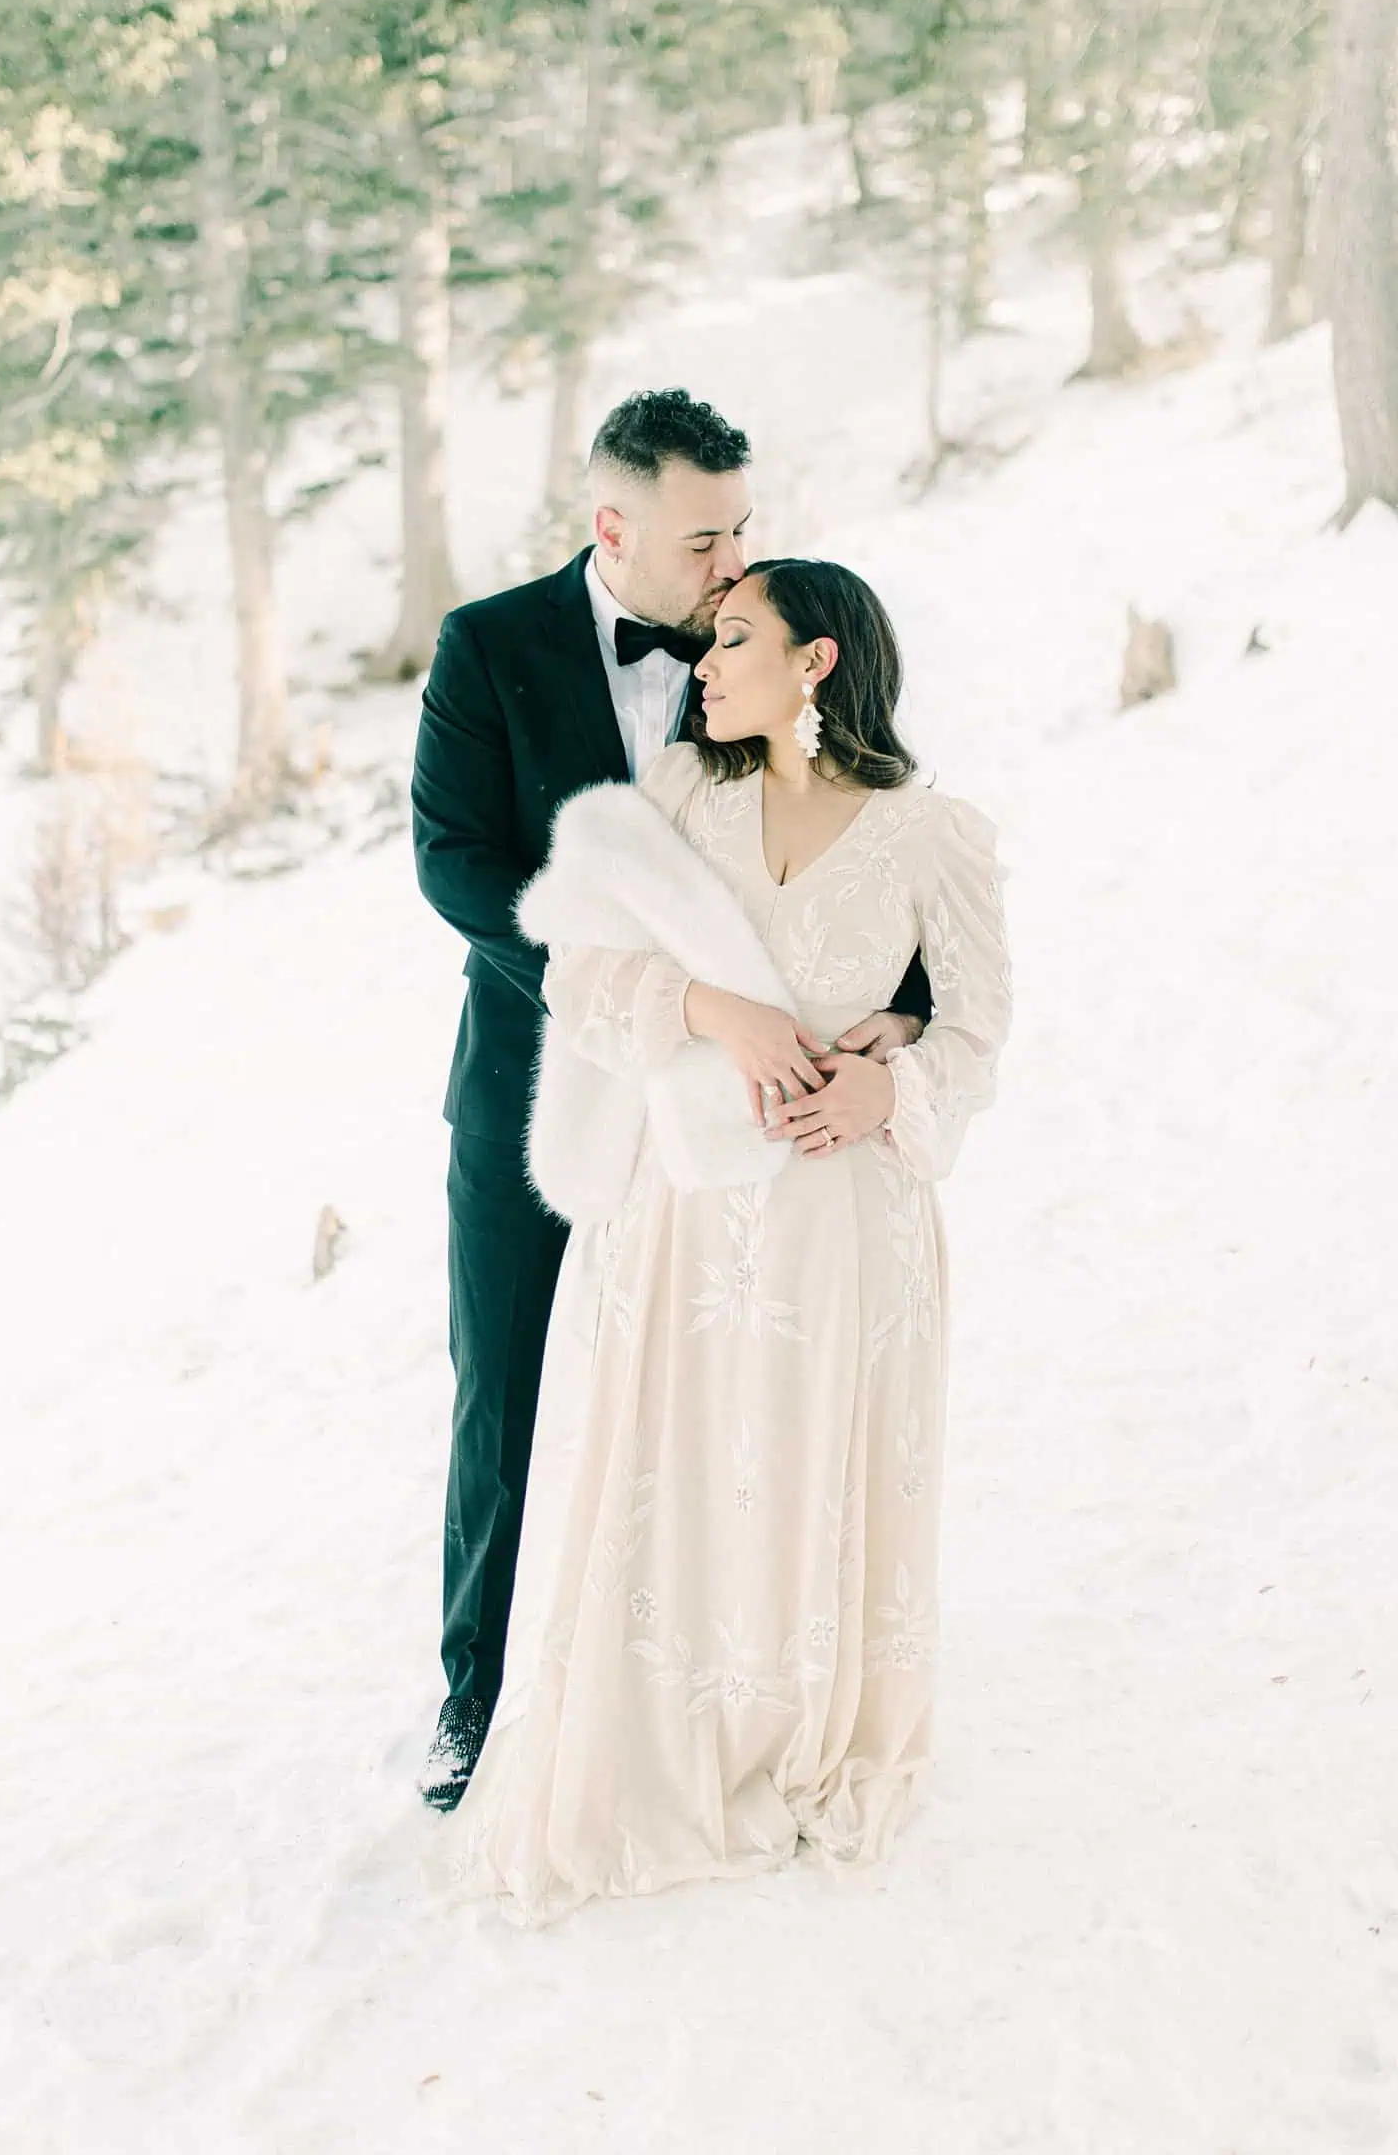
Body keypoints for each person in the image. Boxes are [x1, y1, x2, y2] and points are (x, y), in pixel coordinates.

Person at [426, 556, 1014, 1924]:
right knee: (680, 1469)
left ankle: (804, 1726)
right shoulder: (681, 801)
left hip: (847, 1223)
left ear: (815, 662)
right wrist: (712, 1010)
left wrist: (897, 1079)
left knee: (817, 1467)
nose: (702, 664)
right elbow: (580, 969)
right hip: (686, 1222)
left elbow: (978, 1027)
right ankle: (675, 1731)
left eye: (733, 639)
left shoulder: (937, 837)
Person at [410, 391, 931, 1810]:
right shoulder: (486, 646)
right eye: (707, 535)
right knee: (507, 1392)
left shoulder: (766, 643)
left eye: (743, 530)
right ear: (612, 525)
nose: (730, 562)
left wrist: (898, 1027)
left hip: (740, 1105)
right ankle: (477, 1700)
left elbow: (870, 847)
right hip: (535, 1079)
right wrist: (609, 983)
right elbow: (455, 865)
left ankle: (687, 1700)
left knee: (706, 1402)